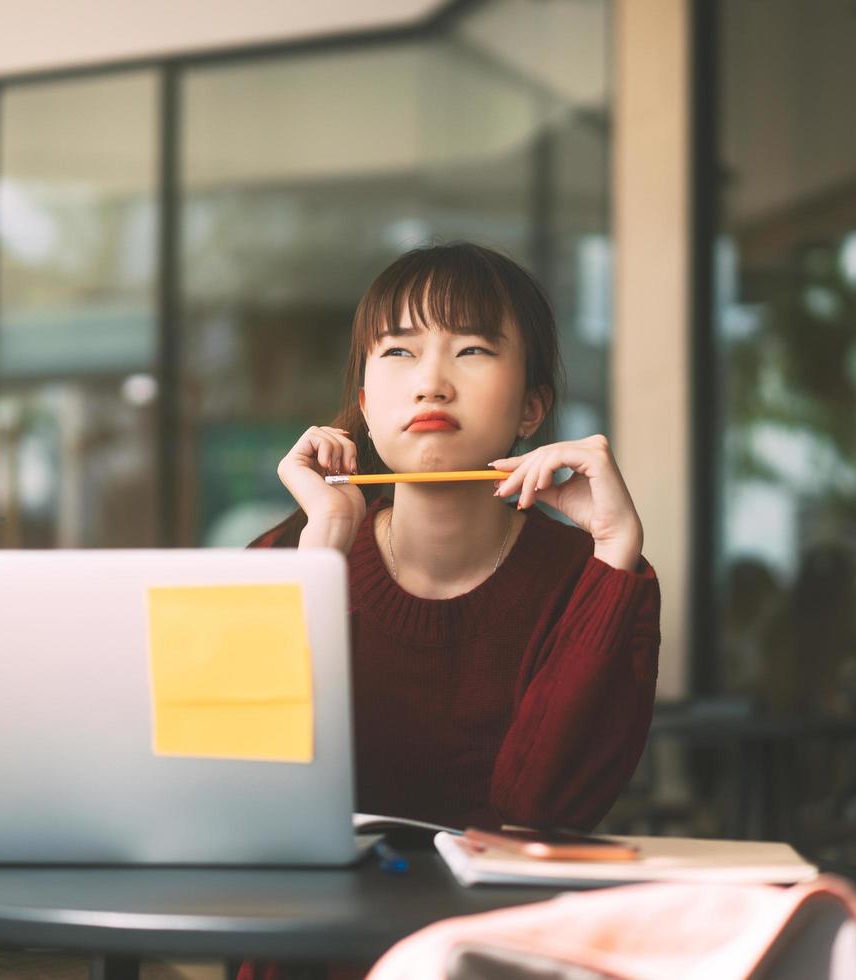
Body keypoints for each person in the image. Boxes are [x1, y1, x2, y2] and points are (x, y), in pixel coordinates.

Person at [255, 240, 660, 829]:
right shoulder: (284, 558)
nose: (431, 384)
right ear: (365, 407)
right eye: (399, 350)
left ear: (531, 408)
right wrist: (323, 554)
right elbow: (255, 795)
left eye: (471, 349)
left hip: (501, 918)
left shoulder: (596, 579)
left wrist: (615, 552)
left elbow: (541, 818)